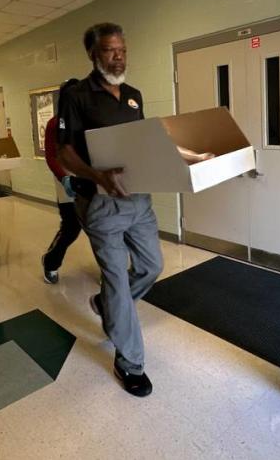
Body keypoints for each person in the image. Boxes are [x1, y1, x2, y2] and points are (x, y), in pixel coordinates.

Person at [56, 22, 165, 397]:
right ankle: (129, 360)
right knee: (117, 278)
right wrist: (96, 175)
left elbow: (141, 143)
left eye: (122, 49)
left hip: (138, 199)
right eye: (109, 50)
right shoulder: (76, 96)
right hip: (101, 203)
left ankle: (106, 305)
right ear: (92, 54)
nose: (118, 56)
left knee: (152, 266)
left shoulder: (134, 95)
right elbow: (64, 151)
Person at [42, 108, 83, 285]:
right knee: (71, 228)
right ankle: (51, 261)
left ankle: (110, 272)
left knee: (101, 231)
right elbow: (51, 156)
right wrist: (63, 178)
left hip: (93, 178)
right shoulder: (55, 123)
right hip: (66, 178)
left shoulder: (93, 117)